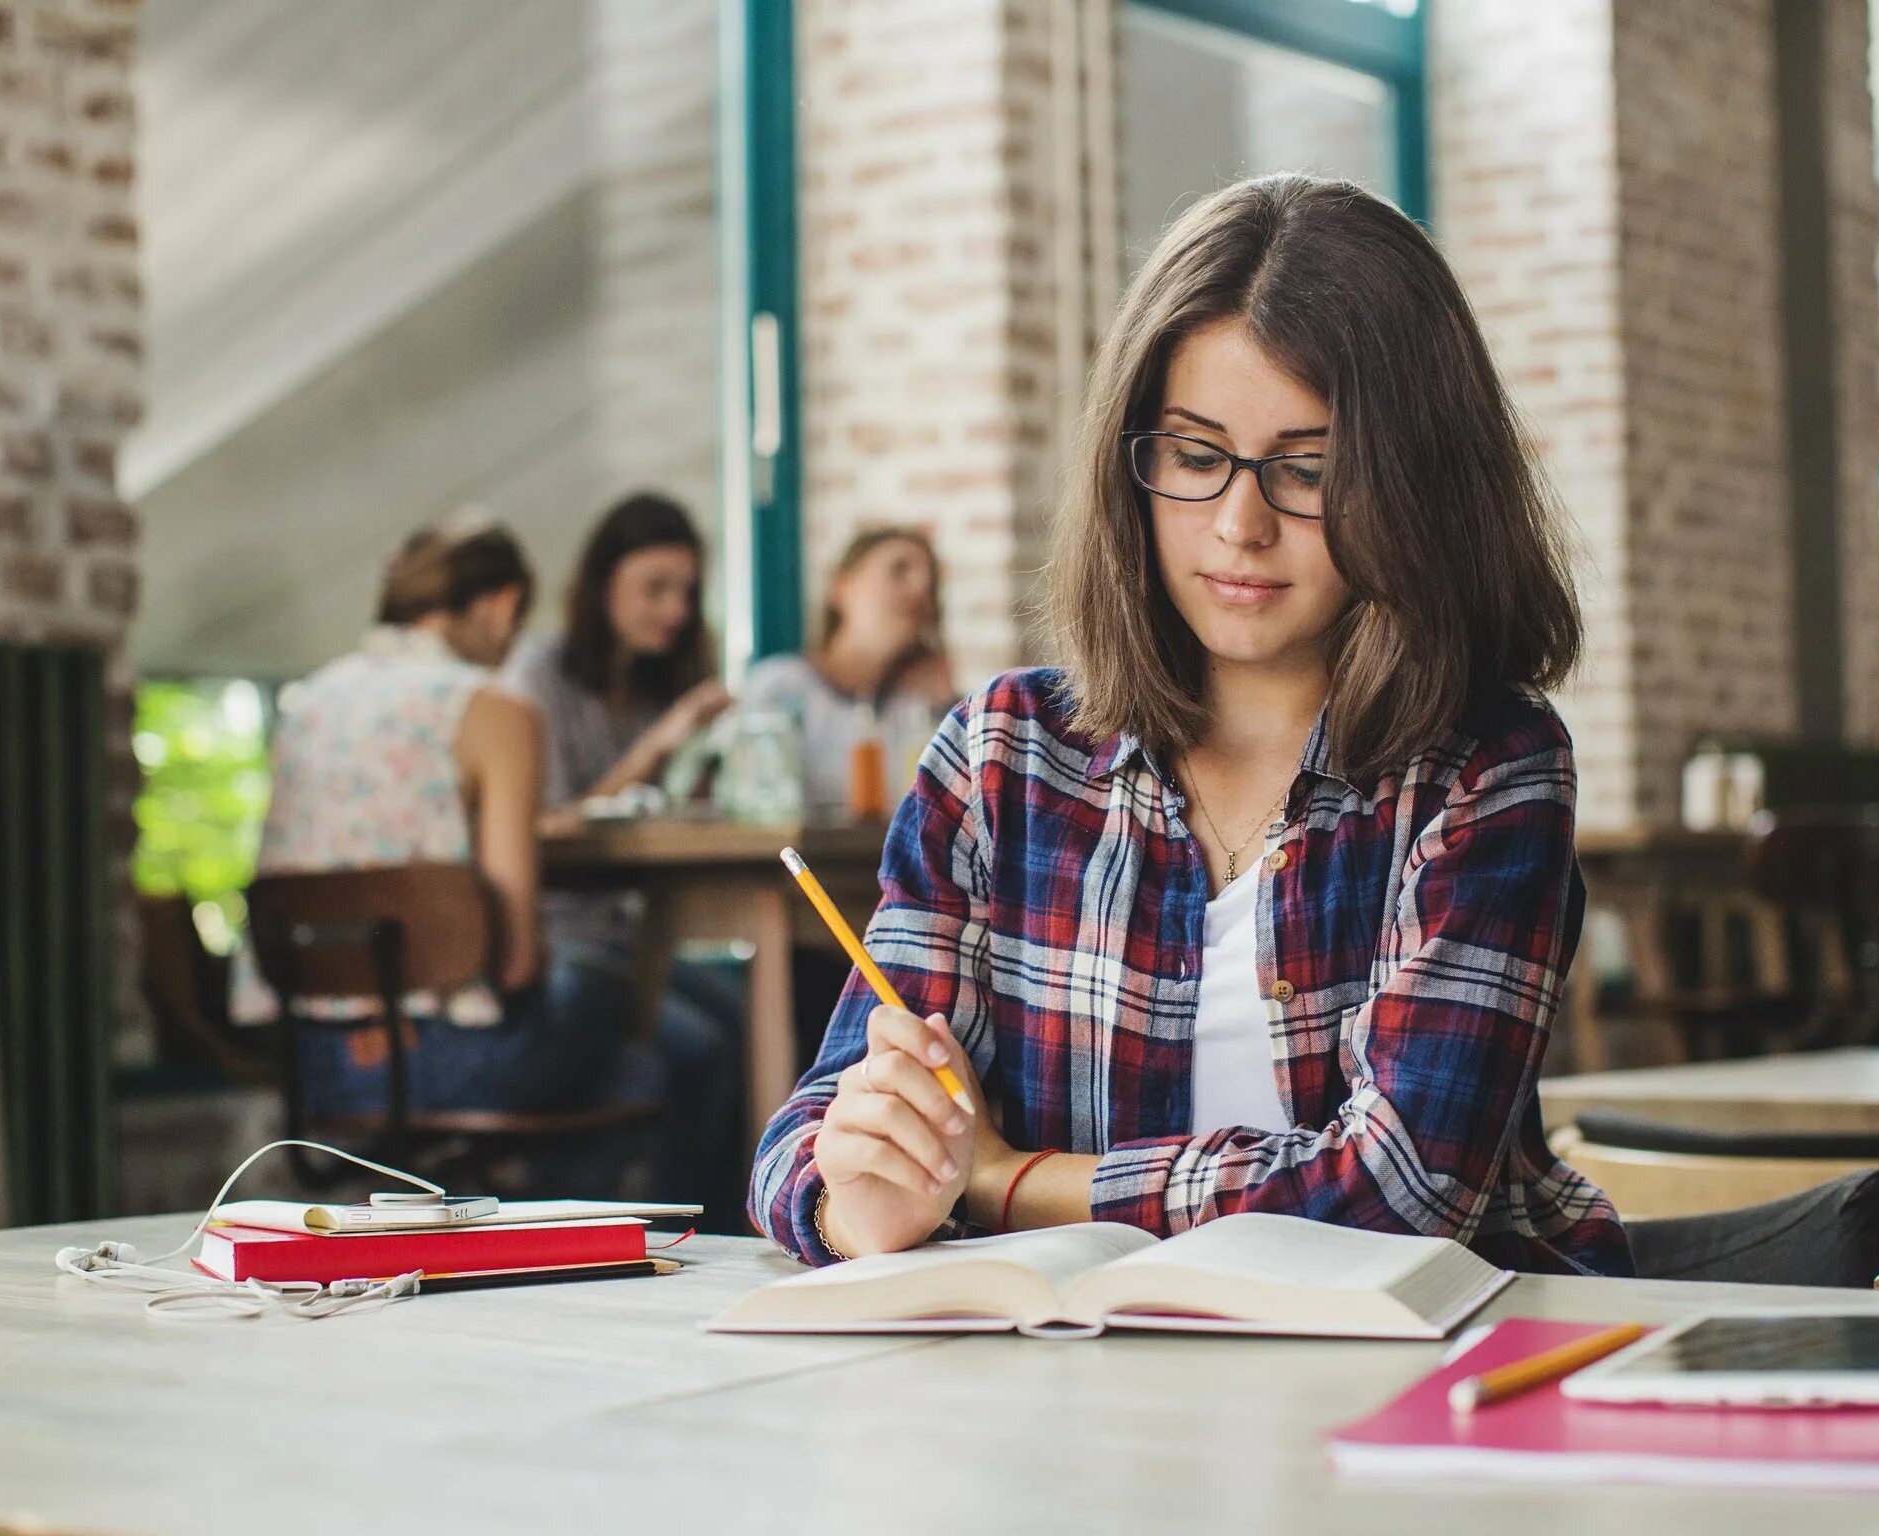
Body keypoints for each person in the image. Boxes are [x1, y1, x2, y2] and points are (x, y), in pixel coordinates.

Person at [750, 174, 1631, 1276]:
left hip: (1423, 1384)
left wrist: (1003, 1180)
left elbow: (1402, 1195)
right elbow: (808, 1137)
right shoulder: (1001, 758)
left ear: (1418, 487)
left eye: (1308, 470)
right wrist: (860, 1200)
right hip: (1080, 1386)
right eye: (1196, 456)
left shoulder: (1488, 767)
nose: (1239, 524)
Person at [248, 517, 656, 1179]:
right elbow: (519, 961)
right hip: (453, 1065)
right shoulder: (494, 708)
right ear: (499, 606)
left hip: (314, 1069)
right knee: (631, 1025)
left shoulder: (306, 704)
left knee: (642, 1061)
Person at [502, 492, 744, 1220]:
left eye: (686, 591)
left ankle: (724, 1225)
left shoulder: (653, 683)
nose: (674, 609)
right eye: (655, 588)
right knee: (699, 1047)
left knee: (746, 1023)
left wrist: (699, 761)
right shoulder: (537, 677)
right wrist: (657, 747)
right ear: (603, 583)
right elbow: (542, 827)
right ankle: (681, 1232)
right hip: (561, 937)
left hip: (635, 935)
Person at [736, 527, 959, 817]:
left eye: (930, 582)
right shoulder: (780, 687)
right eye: (899, 570)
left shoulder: (924, 704)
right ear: (842, 587)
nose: (920, 588)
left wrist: (948, 706)